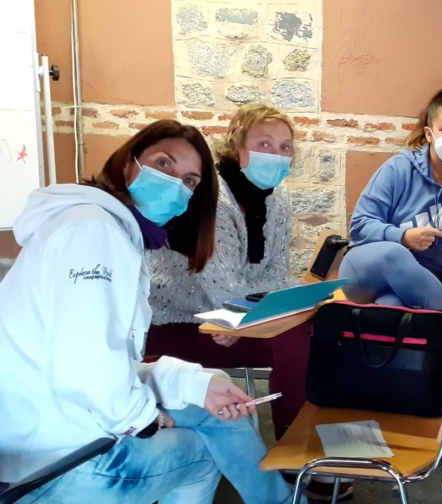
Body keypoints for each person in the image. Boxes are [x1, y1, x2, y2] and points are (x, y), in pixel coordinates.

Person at [0, 120, 300, 503]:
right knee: (203, 451)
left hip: (64, 421)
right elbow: (85, 368)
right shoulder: (93, 233)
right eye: (163, 163)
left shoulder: (108, 229)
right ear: (128, 163)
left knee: (214, 393)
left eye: (189, 180)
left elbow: (107, 361)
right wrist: (143, 418)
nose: (175, 183)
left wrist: (195, 386)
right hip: (51, 463)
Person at [146, 104, 315, 441]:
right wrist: (244, 309)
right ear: (236, 147)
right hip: (176, 322)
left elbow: (278, 272)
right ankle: (294, 443)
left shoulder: (278, 198)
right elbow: (226, 292)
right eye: (264, 144)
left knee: (318, 329)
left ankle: (315, 433)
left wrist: (244, 310)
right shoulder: (212, 199)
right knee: (294, 338)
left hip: (228, 320)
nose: (276, 155)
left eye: (285, 147)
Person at [342, 87, 442, 389]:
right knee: (395, 254)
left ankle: (389, 395)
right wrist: (402, 236)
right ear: (429, 134)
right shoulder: (399, 168)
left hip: (414, 286)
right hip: (364, 271)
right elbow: (360, 226)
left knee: (391, 308)